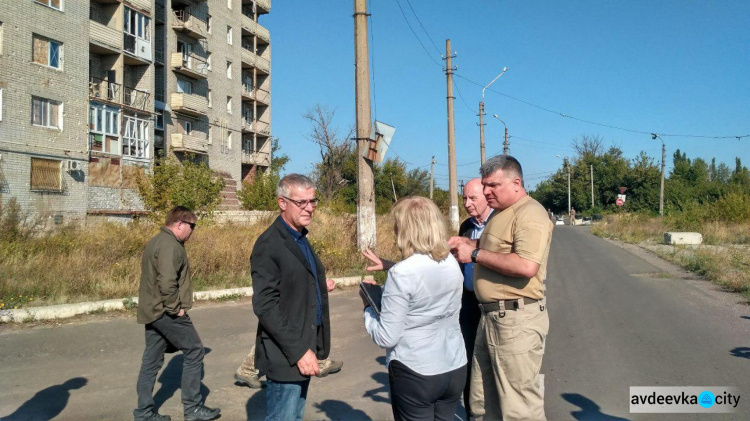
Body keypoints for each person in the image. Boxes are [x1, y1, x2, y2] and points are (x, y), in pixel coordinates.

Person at [449, 155, 553, 421]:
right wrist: (465, 244)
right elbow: (492, 250)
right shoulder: (502, 213)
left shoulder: (530, 213)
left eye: (493, 185)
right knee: (485, 400)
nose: (486, 191)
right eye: (484, 185)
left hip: (516, 321)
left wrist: (474, 256)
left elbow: (526, 265)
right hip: (493, 318)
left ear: (516, 183)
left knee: (519, 407)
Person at [362, 196, 466, 421]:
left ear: (405, 229)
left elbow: (386, 337)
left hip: (415, 369)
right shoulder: (450, 262)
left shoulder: (401, 274)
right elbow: (424, 272)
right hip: (454, 365)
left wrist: (368, 307)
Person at [251, 174, 331, 420]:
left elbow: (295, 279)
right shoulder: (269, 244)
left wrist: (317, 286)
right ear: (282, 203)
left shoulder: (299, 237)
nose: (309, 207)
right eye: (302, 202)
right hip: (287, 353)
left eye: (313, 201)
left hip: (304, 344)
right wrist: (299, 351)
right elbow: (265, 306)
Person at [134, 206, 220, 421]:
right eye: (192, 226)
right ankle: (192, 409)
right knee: (195, 351)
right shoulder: (169, 245)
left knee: (151, 361)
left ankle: (143, 413)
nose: (193, 231)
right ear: (180, 223)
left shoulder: (158, 241)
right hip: (165, 312)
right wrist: (176, 309)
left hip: (152, 311)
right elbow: (167, 282)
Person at [234, 278, 343, 389]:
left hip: (298, 290)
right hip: (287, 294)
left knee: (308, 322)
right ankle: (247, 369)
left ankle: (320, 361)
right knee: (280, 333)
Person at [458, 178, 493, 419]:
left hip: (492, 304)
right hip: (468, 305)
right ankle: (473, 412)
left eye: (472, 198)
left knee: (494, 361)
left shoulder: (499, 224)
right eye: (464, 198)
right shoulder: (465, 227)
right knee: (469, 362)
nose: (467, 203)